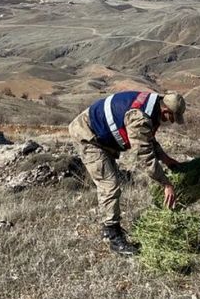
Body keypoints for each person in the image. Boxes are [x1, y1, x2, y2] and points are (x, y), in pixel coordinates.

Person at [68, 90, 186, 255]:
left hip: (99, 134)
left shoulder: (153, 105)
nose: (171, 122)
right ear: (166, 111)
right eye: (172, 118)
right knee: (109, 185)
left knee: (110, 181)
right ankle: (113, 236)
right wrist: (166, 183)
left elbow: (147, 138)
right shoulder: (139, 116)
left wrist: (165, 159)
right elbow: (144, 156)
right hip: (87, 135)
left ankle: (109, 228)